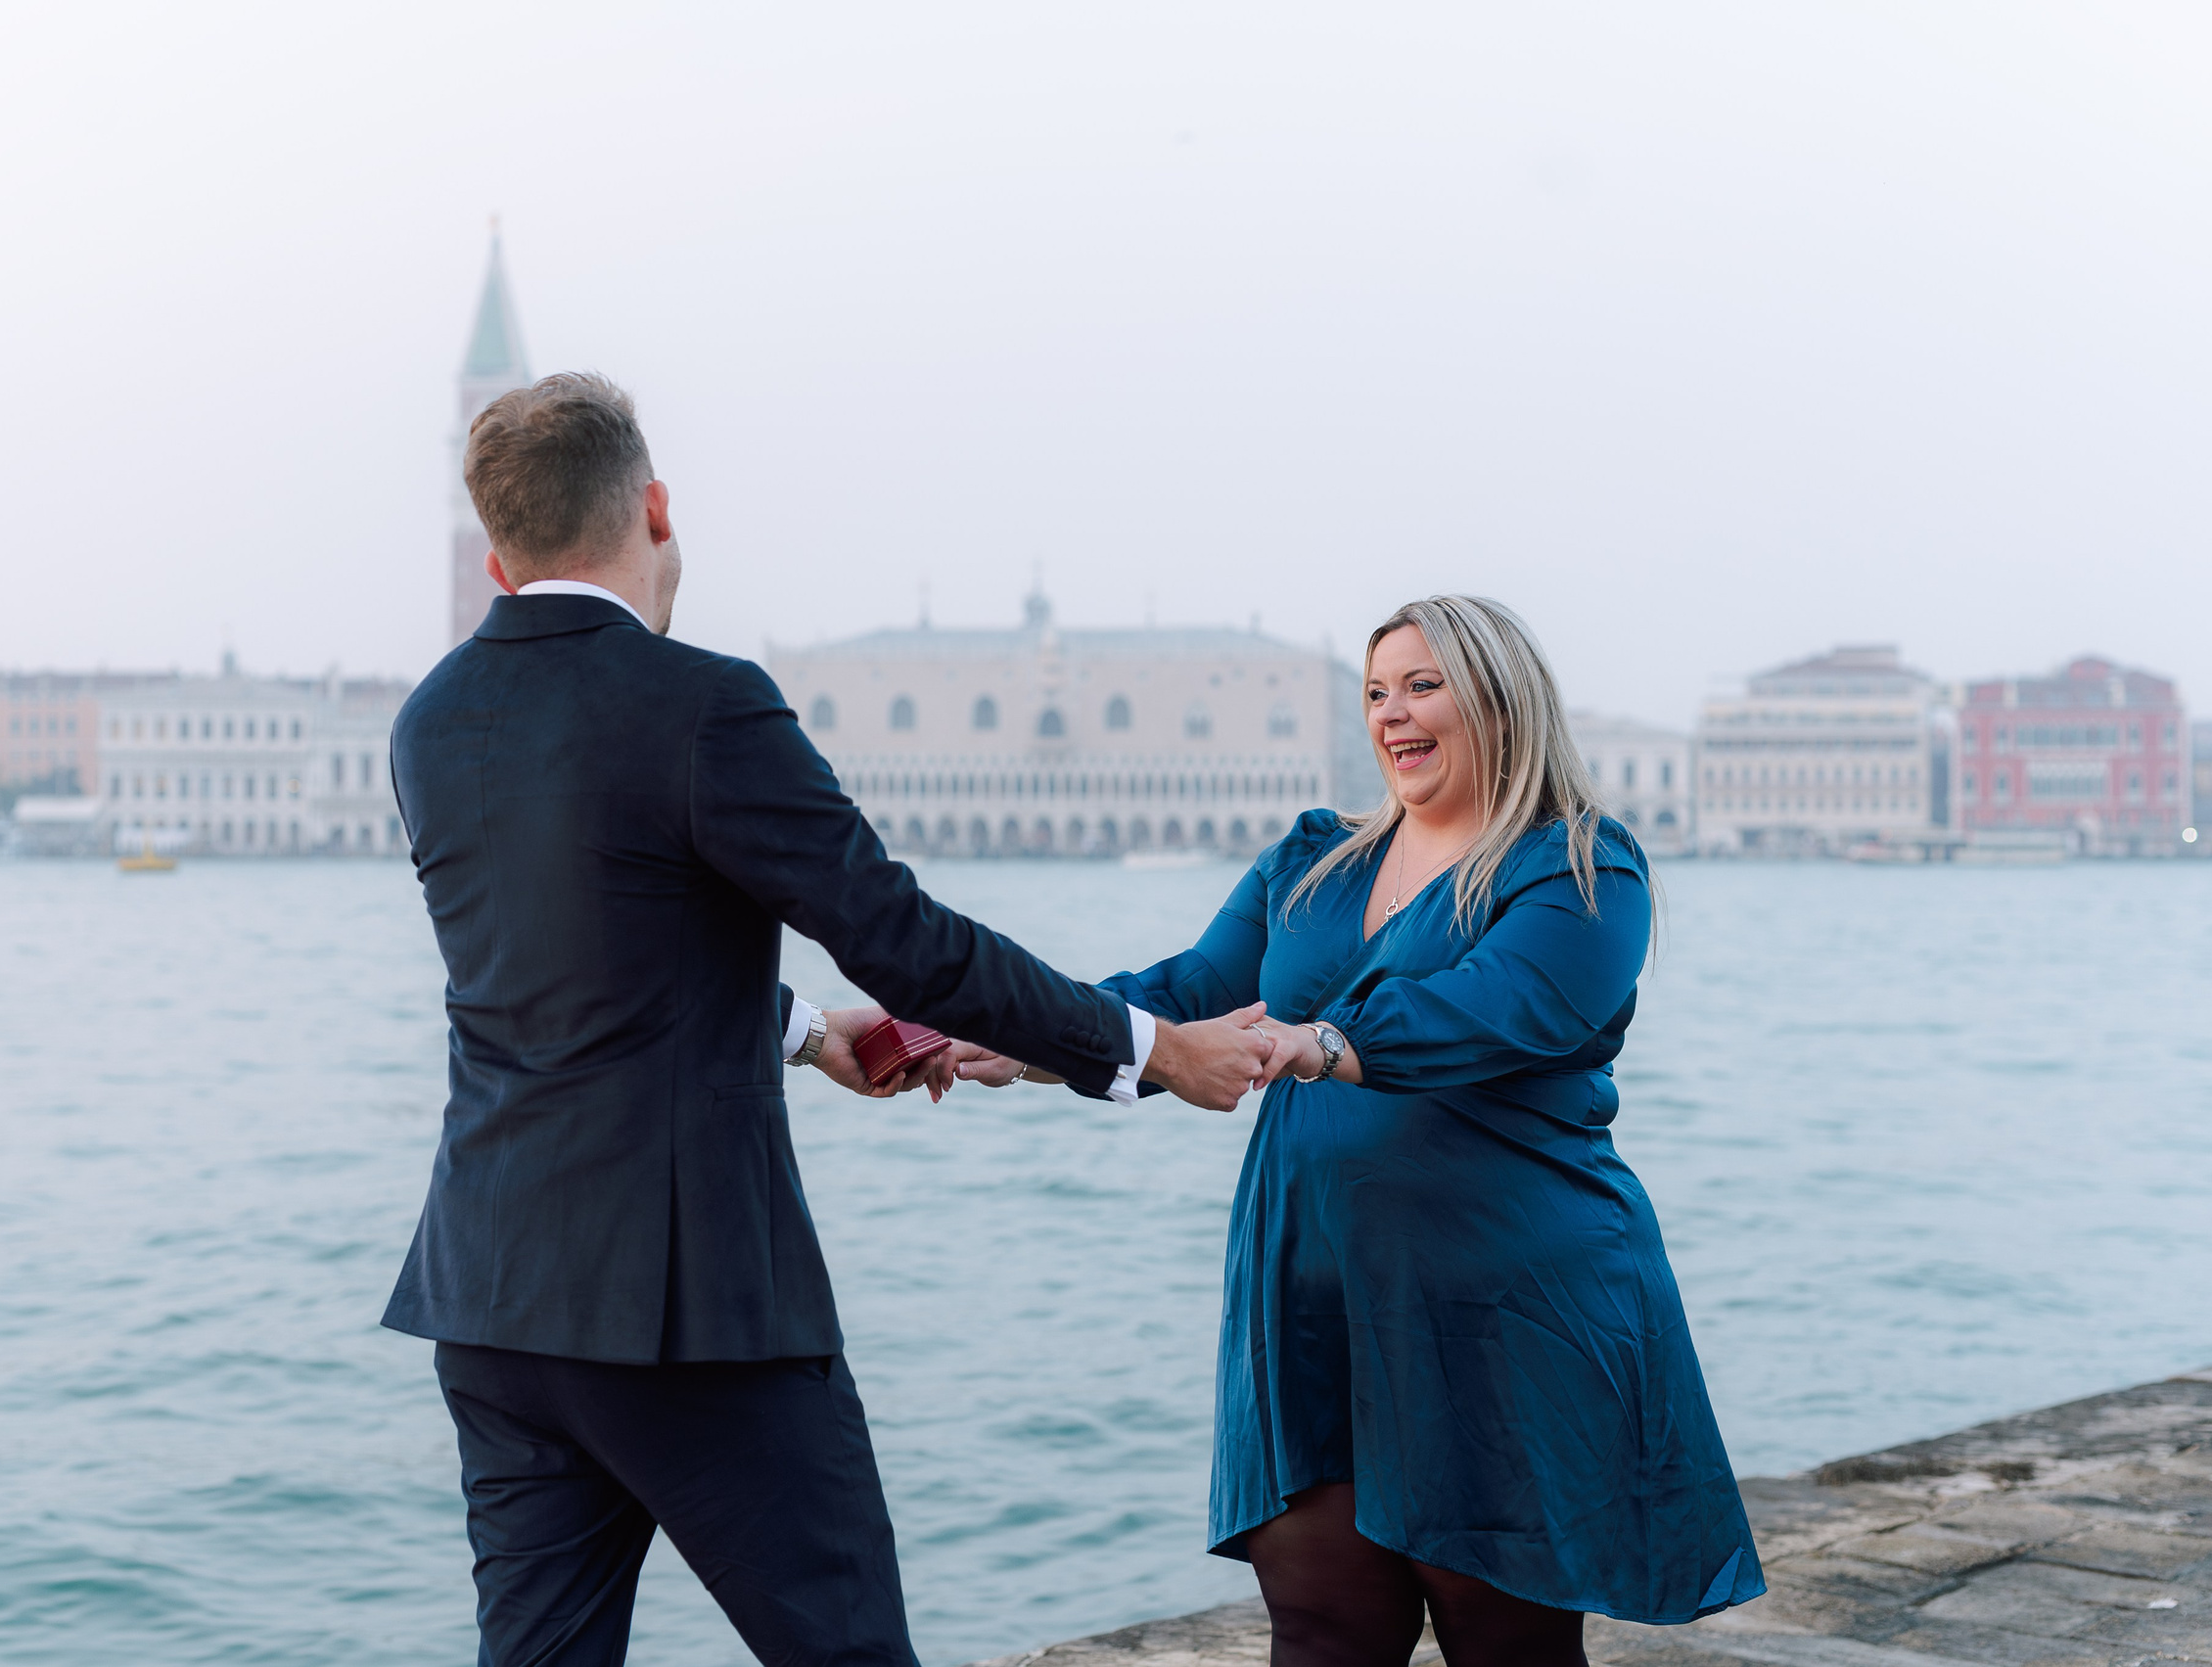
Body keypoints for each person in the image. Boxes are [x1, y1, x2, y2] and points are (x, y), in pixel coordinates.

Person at [381, 372, 1275, 1667]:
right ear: (656, 504)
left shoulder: (429, 723)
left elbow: (567, 966)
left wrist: (802, 1027)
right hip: (686, 1305)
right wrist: (1149, 1047)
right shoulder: (702, 703)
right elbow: (910, 941)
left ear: (495, 544)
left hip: (493, 1292)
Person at [955, 595, 1765, 1667]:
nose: (1394, 714)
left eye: (1423, 684)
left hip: (1502, 1305)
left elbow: (1500, 1004)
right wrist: (1009, 1029)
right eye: (1377, 691)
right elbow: (1190, 988)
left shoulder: (1578, 863)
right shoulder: (1312, 859)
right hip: (1308, 1296)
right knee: (1323, 1624)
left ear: (1500, 696)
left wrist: (1316, 1042)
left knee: (1504, 1637)